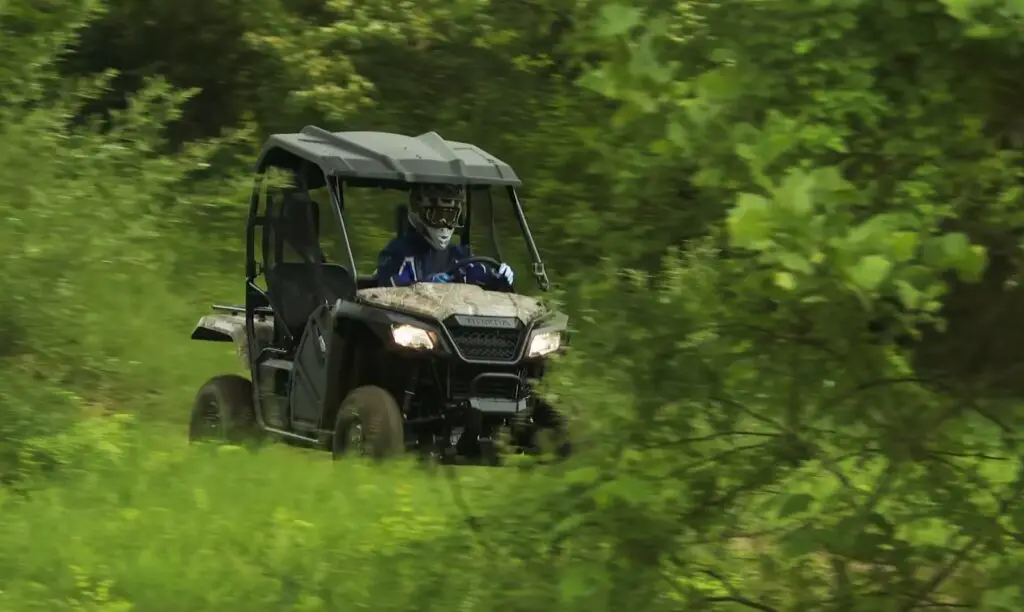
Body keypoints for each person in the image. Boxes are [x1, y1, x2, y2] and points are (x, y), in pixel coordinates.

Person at [373, 183, 515, 289]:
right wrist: (424, 284)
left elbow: (477, 273)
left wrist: (498, 277)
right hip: (417, 322)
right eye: (437, 215)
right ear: (419, 213)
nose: (444, 224)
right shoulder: (399, 251)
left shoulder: (460, 255)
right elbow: (388, 286)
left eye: (451, 216)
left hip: (457, 323)